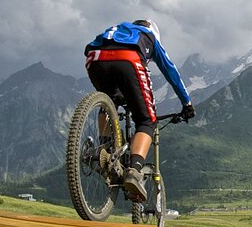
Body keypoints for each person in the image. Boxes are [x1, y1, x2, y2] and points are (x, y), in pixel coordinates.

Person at [84, 19, 195, 199]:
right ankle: (134, 171)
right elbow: (171, 71)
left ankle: (103, 148)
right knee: (146, 121)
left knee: (109, 102)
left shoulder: (119, 28)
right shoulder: (150, 36)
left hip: (95, 59)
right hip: (128, 58)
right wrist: (187, 104)